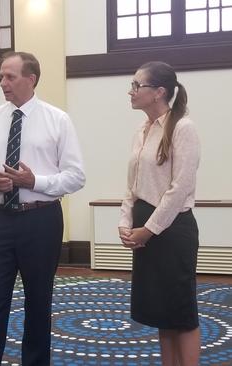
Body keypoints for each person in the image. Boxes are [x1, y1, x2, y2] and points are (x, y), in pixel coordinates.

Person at [0, 51, 85, 366]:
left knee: (39, 302)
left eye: (10, 76)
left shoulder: (57, 120)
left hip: (41, 220)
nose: (2, 82)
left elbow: (75, 177)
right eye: (1, 76)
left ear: (31, 79)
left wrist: (35, 180)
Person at [119, 61, 200, 366]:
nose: (131, 91)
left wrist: (148, 230)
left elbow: (180, 189)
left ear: (159, 92)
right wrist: (125, 221)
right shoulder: (142, 131)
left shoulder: (183, 127)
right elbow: (133, 187)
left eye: (137, 85)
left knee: (181, 312)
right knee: (161, 312)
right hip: (146, 230)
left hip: (172, 231)